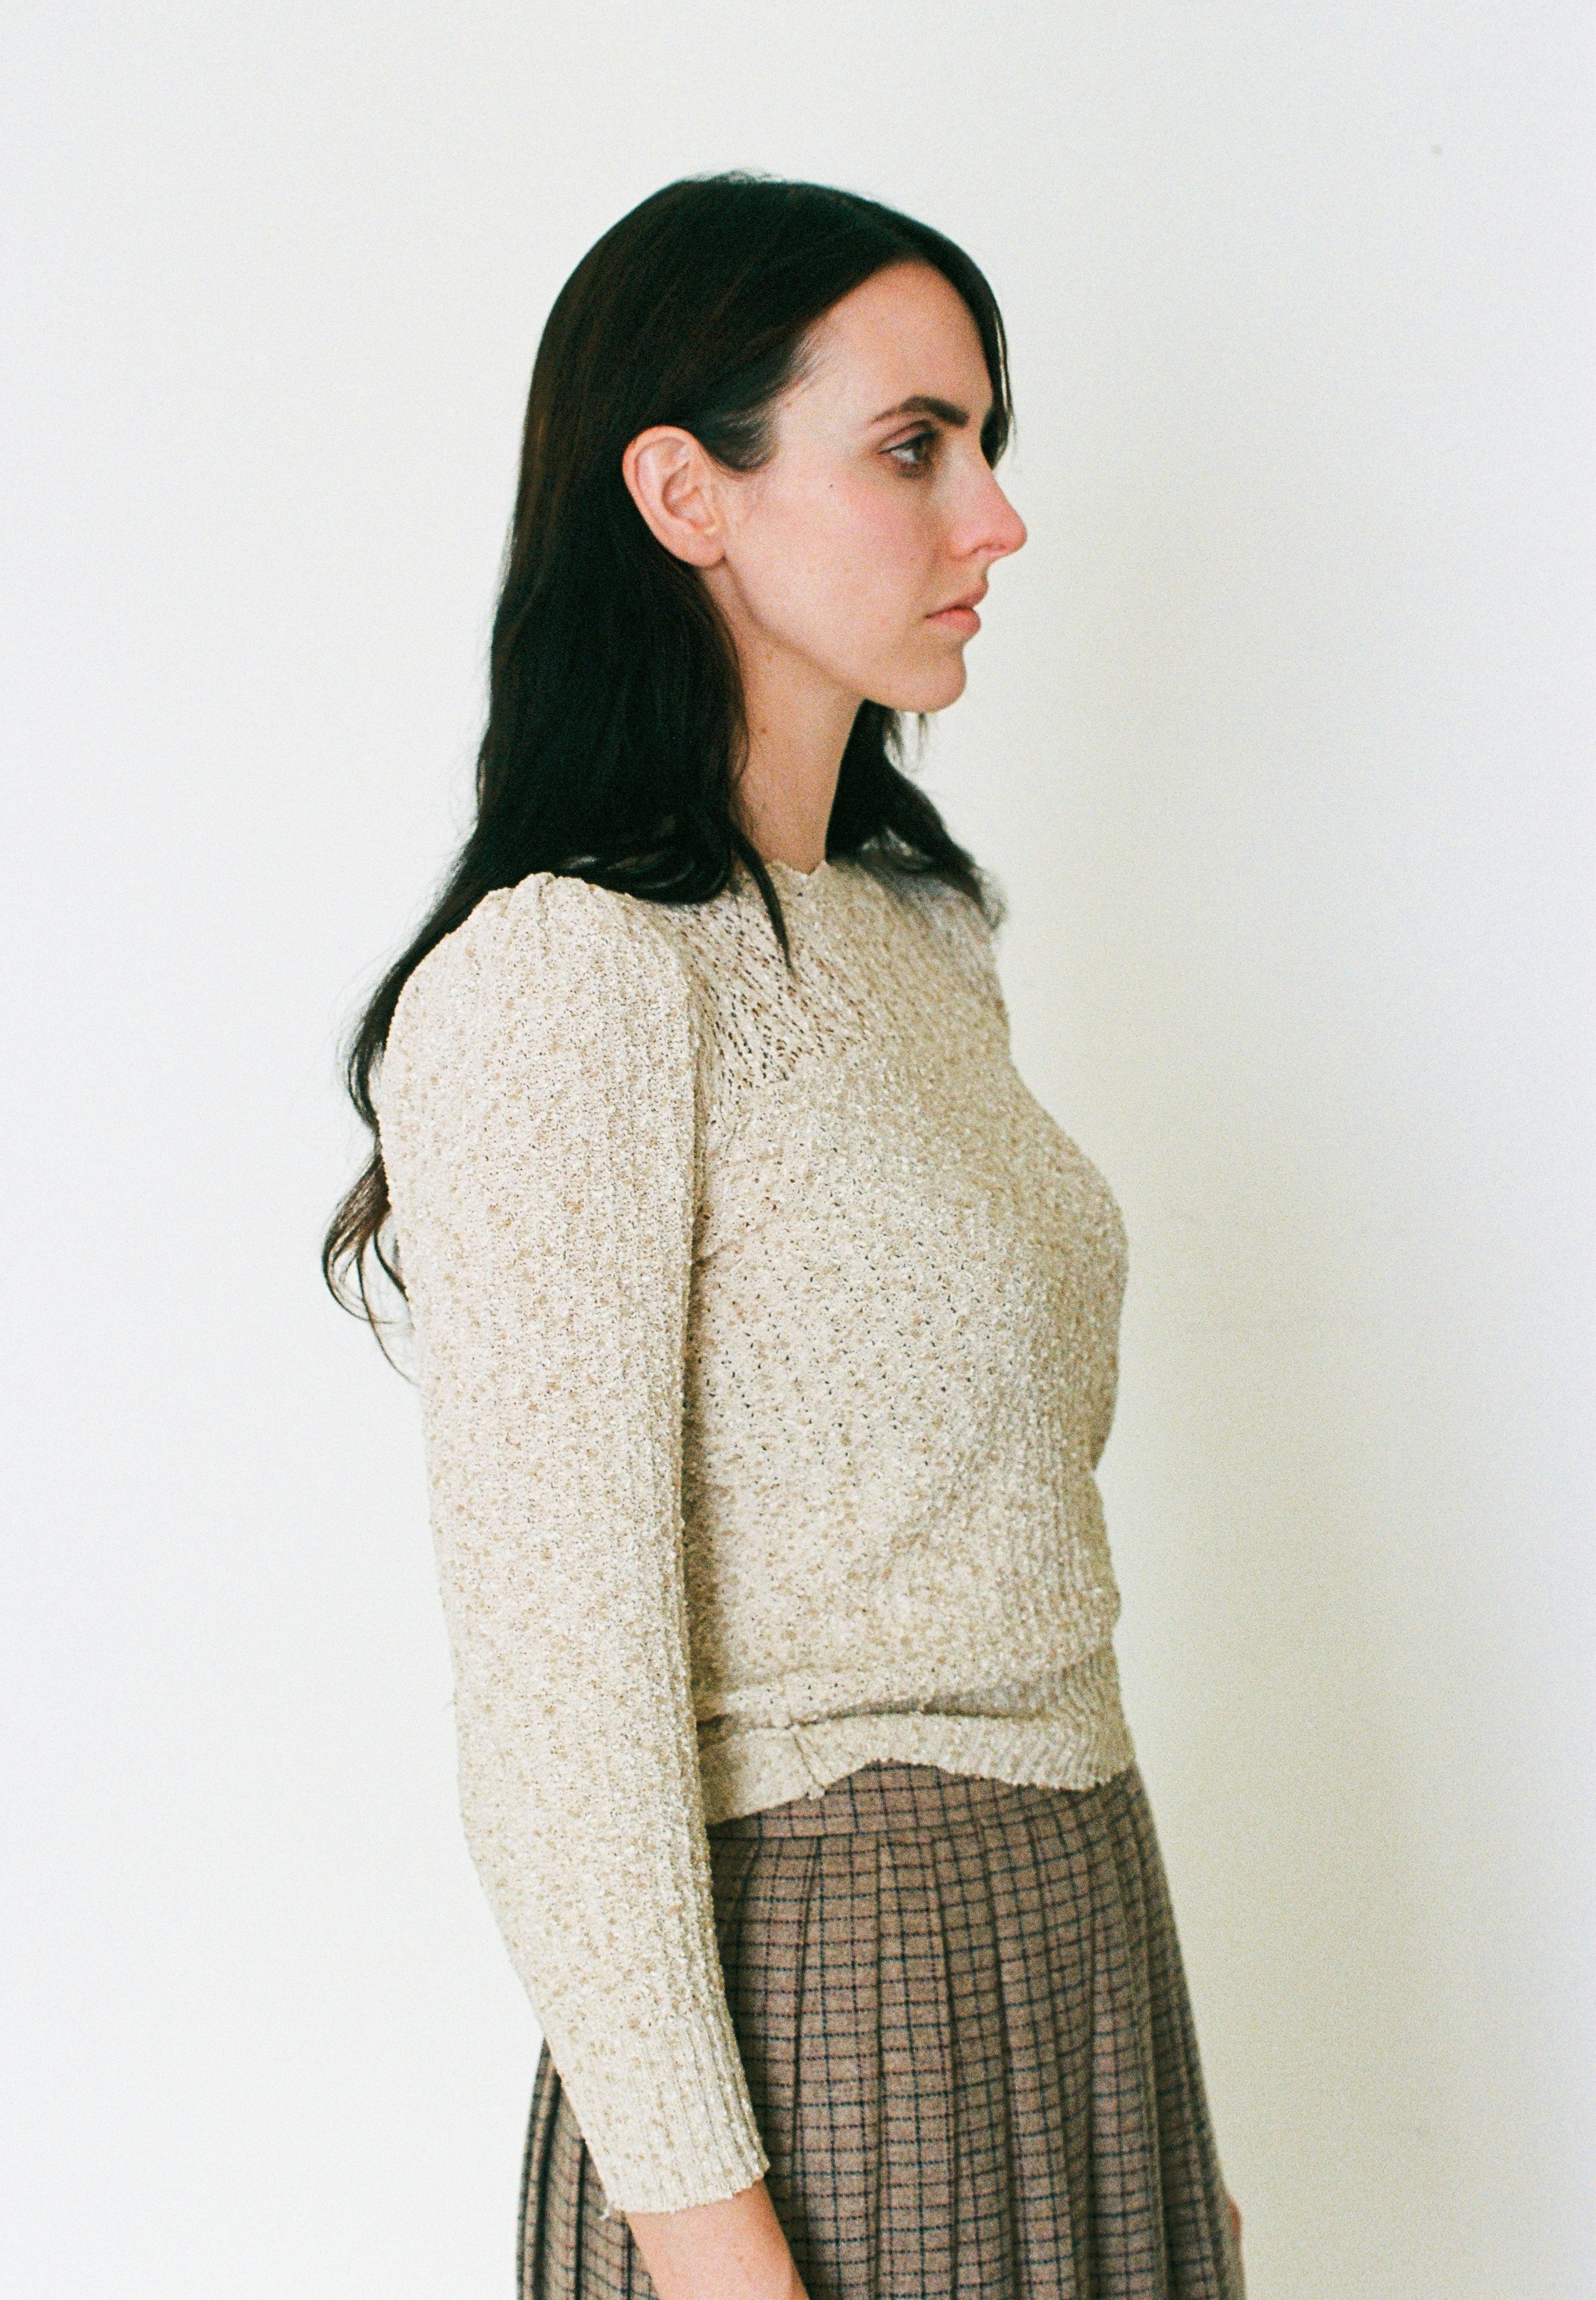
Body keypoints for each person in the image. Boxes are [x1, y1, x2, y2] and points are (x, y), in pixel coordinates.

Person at [325, 172, 1246, 2300]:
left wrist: (1153, 2132)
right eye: (912, 444)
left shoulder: (916, 934)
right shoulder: (563, 984)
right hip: (820, 2001)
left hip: (1083, 1920)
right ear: (681, 491)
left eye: (986, 443)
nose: (990, 517)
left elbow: (1004, 1539)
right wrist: (712, 2245)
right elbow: (560, 1701)